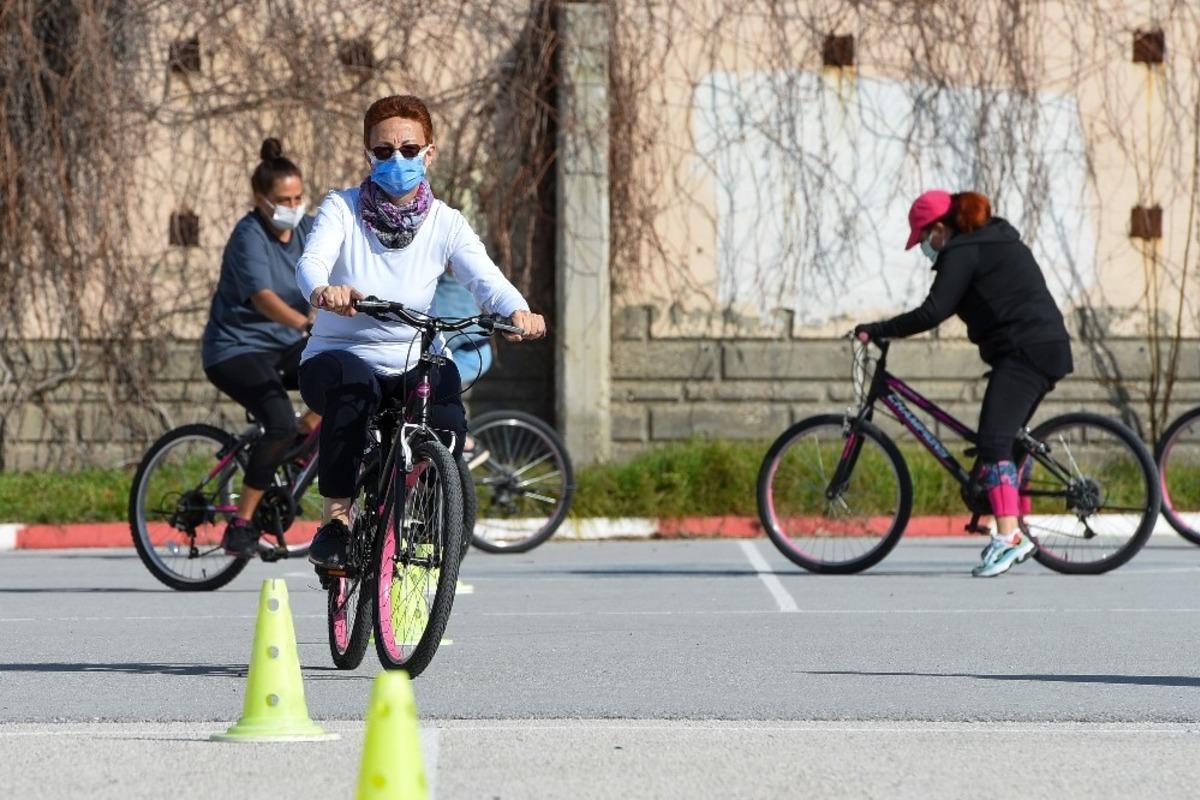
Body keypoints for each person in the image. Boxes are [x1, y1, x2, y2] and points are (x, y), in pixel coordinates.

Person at [295, 94, 546, 572]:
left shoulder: (446, 223)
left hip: (409, 356)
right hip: (337, 355)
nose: (398, 160)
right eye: (384, 151)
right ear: (368, 154)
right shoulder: (342, 209)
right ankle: (337, 523)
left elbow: (486, 279)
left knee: (447, 394)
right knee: (354, 386)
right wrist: (324, 291)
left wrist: (517, 311)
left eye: (410, 150)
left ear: (429, 153)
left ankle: (422, 506)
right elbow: (311, 262)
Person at [854, 190, 1073, 578]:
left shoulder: (964, 251)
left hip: (1027, 351)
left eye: (923, 240)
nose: (924, 248)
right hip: (1037, 346)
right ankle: (998, 506)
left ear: (940, 229)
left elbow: (933, 311)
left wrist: (878, 329)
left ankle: (1010, 537)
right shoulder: (991, 239)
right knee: (997, 437)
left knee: (993, 442)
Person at [201, 138, 321, 557]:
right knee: (280, 421)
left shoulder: (307, 229)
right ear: (260, 199)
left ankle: (293, 445)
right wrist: (306, 322)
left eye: (298, 197)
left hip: (285, 345)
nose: (292, 205)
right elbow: (262, 297)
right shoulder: (248, 235)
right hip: (235, 349)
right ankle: (241, 524)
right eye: (282, 199)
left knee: (344, 378)